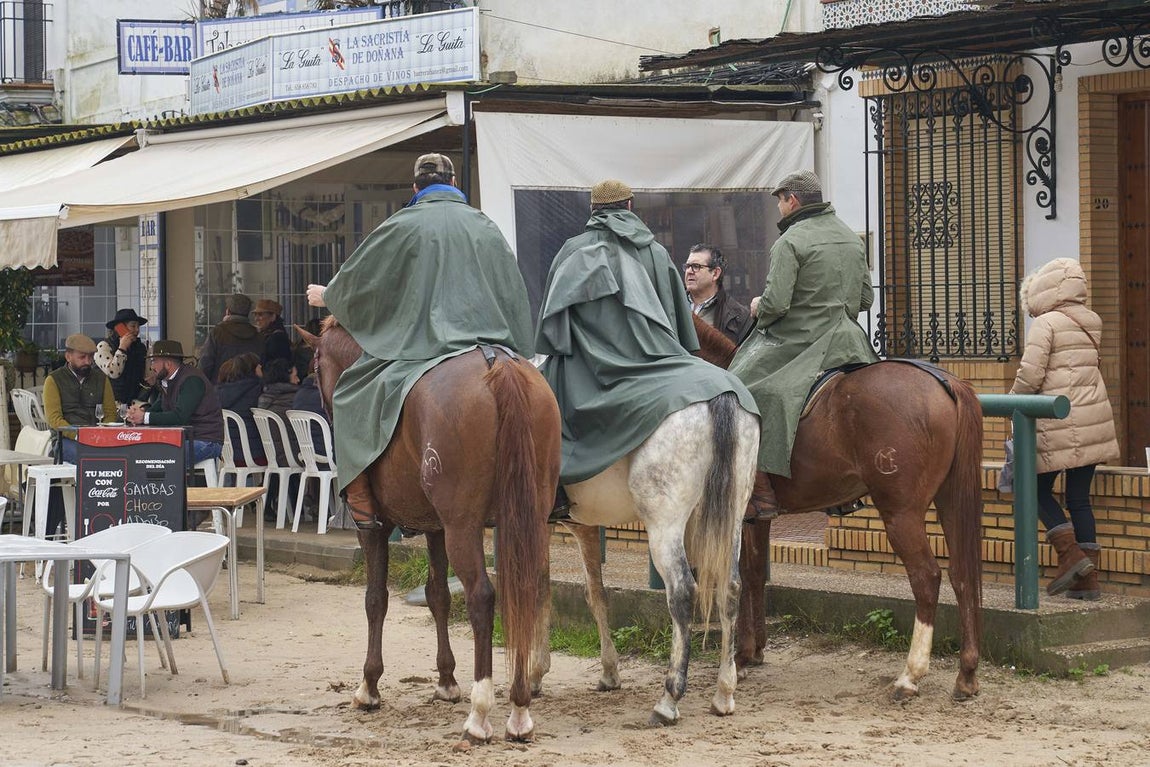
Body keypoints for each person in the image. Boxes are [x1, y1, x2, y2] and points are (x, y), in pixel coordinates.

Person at [306, 152, 534, 528]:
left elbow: (364, 283)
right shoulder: (484, 226)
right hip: (491, 342)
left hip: (420, 345)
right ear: (455, 184)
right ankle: (558, 486)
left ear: (416, 188)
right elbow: (512, 289)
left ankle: (359, 495)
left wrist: (329, 296)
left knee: (349, 393)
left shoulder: (401, 225)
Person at [536, 179, 757, 515]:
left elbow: (554, 325)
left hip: (588, 365)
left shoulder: (572, 250)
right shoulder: (655, 252)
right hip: (654, 360)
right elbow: (679, 324)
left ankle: (553, 491)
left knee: (539, 399)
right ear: (629, 206)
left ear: (593, 211)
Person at [728, 170, 878, 518]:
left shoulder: (790, 242)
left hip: (802, 342)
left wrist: (756, 307)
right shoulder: (850, 238)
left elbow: (777, 305)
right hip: (851, 344)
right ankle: (842, 494)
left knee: (740, 391)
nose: (779, 208)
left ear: (791, 200)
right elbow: (866, 300)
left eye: (780, 201)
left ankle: (761, 491)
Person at [1010, 258, 1119, 600]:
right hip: (1092, 419)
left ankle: (1071, 557)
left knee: (1031, 489)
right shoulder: (1091, 320)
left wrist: (1010, 403)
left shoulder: (1046, 323)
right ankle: (1088, 581)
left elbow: (1031, 375)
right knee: (1078, 499)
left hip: (1058, 422)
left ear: (1044, 289)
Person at [125, 340, 225, 465]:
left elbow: (180, 417)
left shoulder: (191, 380)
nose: (152, 367)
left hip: (206, 441)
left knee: (154, 457)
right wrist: (139, 415)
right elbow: (158, 407)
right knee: (144, 452)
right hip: (189, 439)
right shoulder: (169, 381)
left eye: (154, 361)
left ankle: (165, 485)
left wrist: (144, 417)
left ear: (168, 364)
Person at [43, 333, 118, 463]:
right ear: (68, 357)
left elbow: (110, 413)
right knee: (88, 457)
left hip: (97, 438)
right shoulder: (54, 380)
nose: (87, 362)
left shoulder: (101, 379)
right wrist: (80, 435)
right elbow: (54, 420)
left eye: (90, 357)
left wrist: (102, 436)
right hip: (65, 440)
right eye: (82, 357)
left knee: (121, 455)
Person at [683, 243, 754, 345]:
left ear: (715, 273)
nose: (689, 271)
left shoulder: (739, 317)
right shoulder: (671, 306)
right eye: (687, 266)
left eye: (696, 266)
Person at [198, 293, 265, 384]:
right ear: (248, 313)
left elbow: (205, 364)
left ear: (228, 311)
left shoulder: (217, 333)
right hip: (251, 391)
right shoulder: (258, 335)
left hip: (220, 390)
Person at [94, 308, 150, 405]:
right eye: (133, 326)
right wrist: (122, 348)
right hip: (110, 403)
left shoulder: (140, 348)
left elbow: (146, 375)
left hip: (133, 402)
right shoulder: (103, 347)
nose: (137, 330)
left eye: (138, 326)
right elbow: (114, 372)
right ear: (119, 328)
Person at [216, 352, 264, 463]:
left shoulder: (220, 391)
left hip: (226, 454)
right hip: (254, 454)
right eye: (258, 365)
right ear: (252, 369)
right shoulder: (257, 390)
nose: (261, 367)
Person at [257, 358, 300, 465]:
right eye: (295, 376)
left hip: (271, 456)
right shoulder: (293, 399)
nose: (298, 380)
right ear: (286, 377)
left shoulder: (264, 398)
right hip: (294, 456)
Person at [252, 298, 293, 366]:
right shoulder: (272, 335)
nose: (256, 319)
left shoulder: (278, 338)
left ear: (273, 317)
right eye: (255, 314)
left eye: (260, 314)